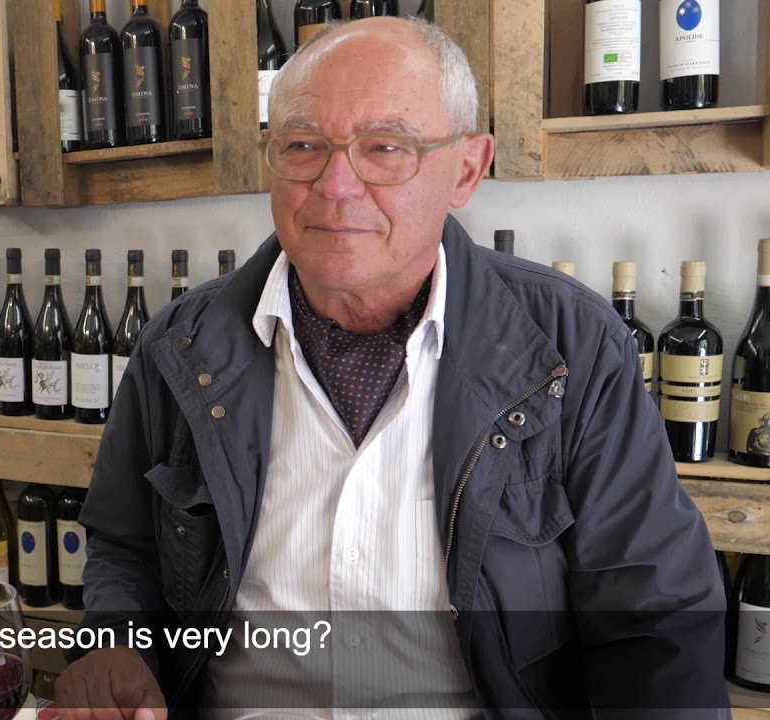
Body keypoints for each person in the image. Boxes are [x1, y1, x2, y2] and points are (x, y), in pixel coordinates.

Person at [55, 14, 728, 720]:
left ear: (466, 169)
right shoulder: (178, 346)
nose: (336, 186)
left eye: (385, 148)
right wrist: (116, 645)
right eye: (304, 145)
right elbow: (125, 546)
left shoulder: (573, 348)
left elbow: (654, 617)